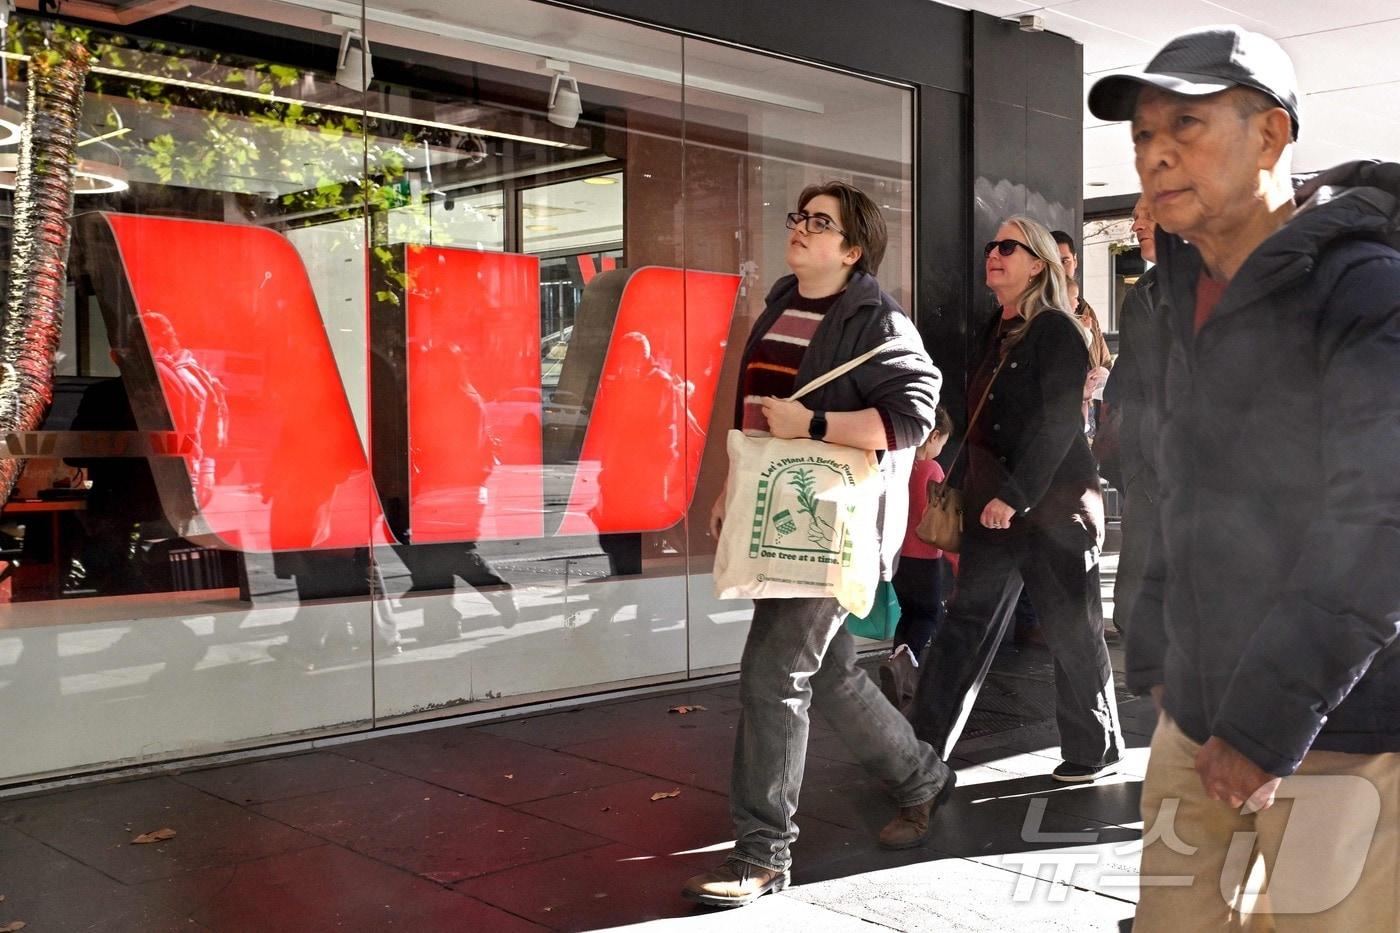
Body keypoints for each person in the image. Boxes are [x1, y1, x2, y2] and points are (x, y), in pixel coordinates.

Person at [1089, 25, 1400, 931]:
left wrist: (1266, 726)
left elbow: (1378, 526)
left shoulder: (1367, 287)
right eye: (1143, 134)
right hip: (1195, 710)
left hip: (1341, 727)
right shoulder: (1172, 295)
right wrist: (1153, 651)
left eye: (1185, 123)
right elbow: (1171, 480)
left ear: (1271, 135)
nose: (1155, 153)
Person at [682, 182, 951, 908]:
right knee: (829, 674)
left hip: (831, 529)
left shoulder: (877, 319)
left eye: (819, 222)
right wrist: (731, 490)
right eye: (799, 216)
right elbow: (758, 414)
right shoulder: (781, 302)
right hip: (782, 513)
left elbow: (913, 416)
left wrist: (818, 427)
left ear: (853, 247)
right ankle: (922, 776)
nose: (800, 228)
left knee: (773, 674)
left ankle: (763, 852)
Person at [907, 215, 1124, 782]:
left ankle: (1093, 747)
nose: (994, 254)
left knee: (1072, 633)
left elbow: (1058, 426)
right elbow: (982, 417)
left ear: (1037, 264)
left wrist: (1015, 495)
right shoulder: (993, 329)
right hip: (989, 509)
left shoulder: (1056, 330)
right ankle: (917, 753)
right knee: (965, 624)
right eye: (991, 246)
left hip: (1052, 509)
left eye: (1010, 246)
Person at [1098, 195, 1164, 636]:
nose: (1135, 224)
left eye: (1147, 213)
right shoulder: (1144, 290)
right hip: (1147, 464)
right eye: (1135, 215)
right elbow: (1132, 373)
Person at [879, 406, 953, 710]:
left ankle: (898, 669)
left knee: (908, 612)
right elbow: (938, 520)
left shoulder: (897, 465)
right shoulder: (931, 470)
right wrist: (955, 558)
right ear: (934, 435)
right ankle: (904, 664)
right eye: (942, 443)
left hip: (897, 556)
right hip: (925, 556)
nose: (940, 449)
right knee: (928, 614)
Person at [1050, 230, 1112, 430]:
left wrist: (1102, 373)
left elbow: (1103, 359)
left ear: (1075, 261)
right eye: (1053, 262)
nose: (1059, 269)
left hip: (1089, 414)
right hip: (1059, 418)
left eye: (1065, 261)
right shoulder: (1038, 312)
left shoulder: (1085, 309)